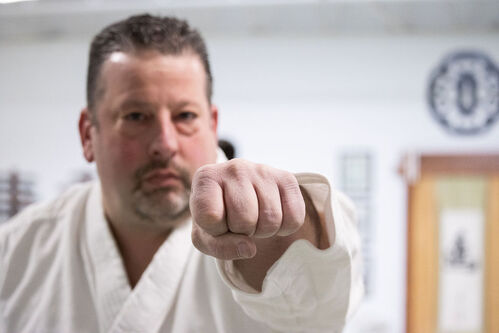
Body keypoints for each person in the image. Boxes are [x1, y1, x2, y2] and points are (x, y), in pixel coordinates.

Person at [0, 14, 363, 333]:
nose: (165, 143)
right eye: (135, 117)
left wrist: (282, 233)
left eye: (185, 116)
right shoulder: (16, 253)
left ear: (212, 124)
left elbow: (321, 312)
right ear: (87, 133)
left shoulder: (266, 210)